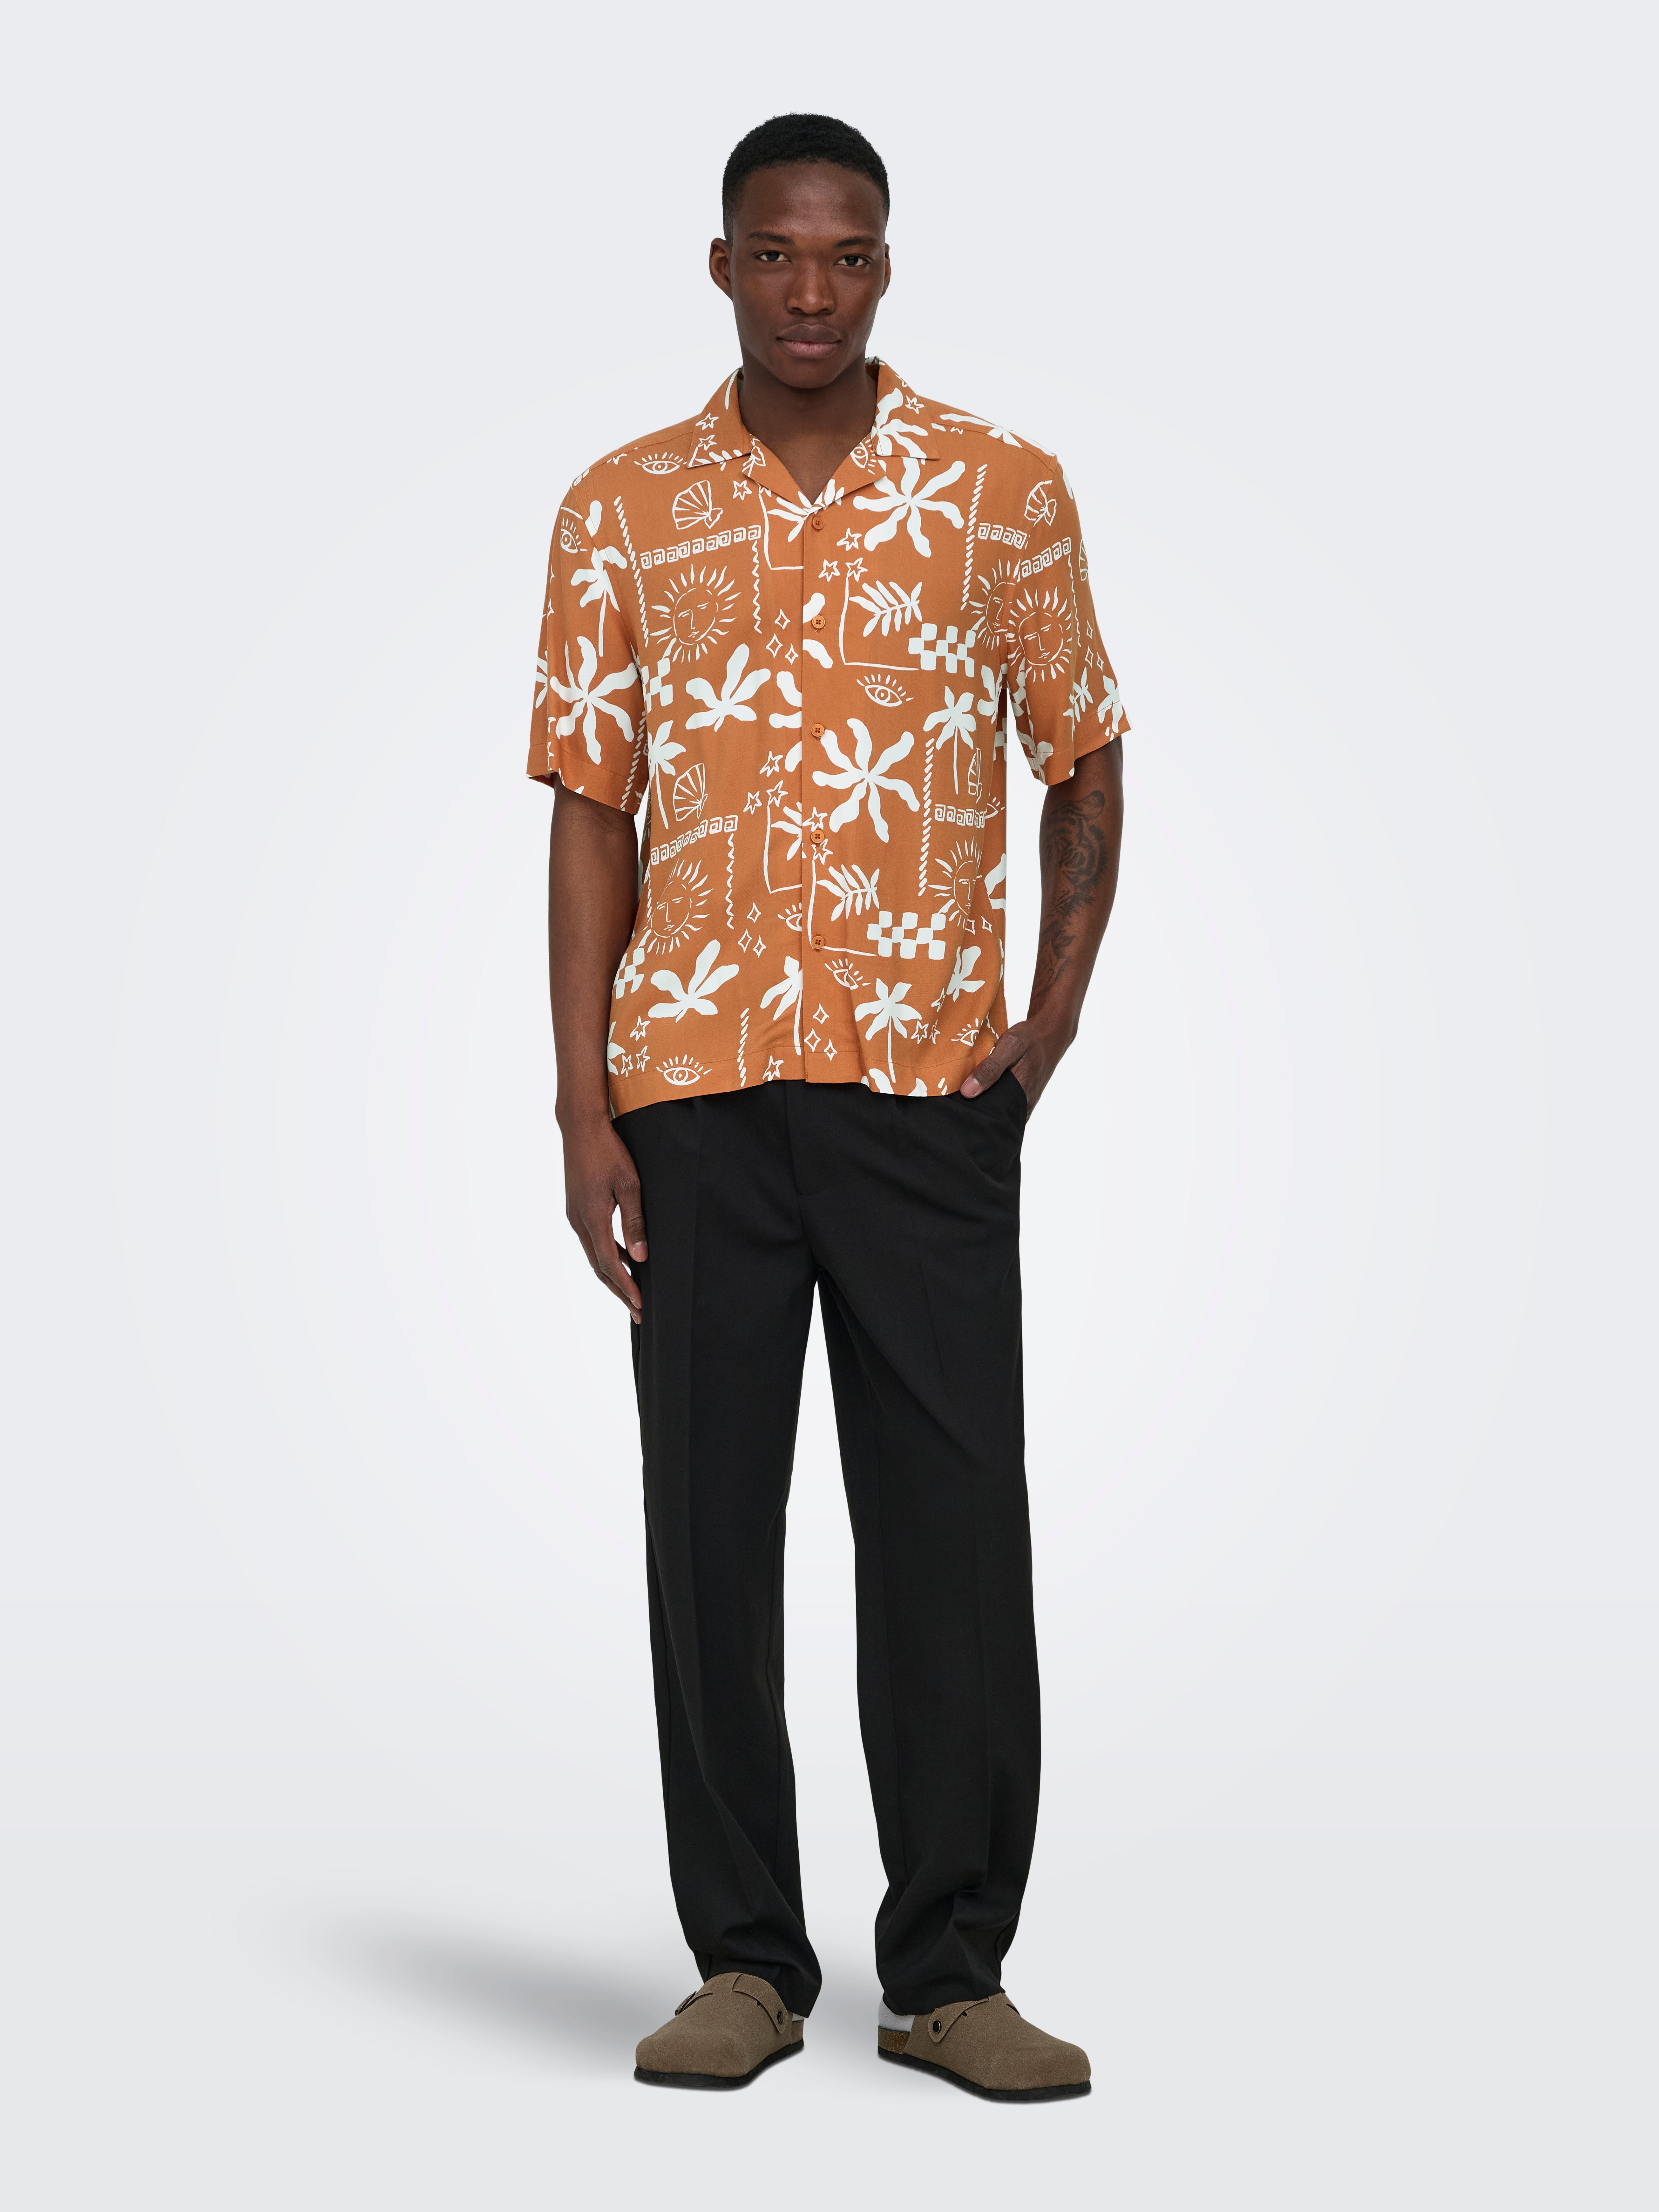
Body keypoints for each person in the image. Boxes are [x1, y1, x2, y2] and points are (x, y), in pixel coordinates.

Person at [530, 112, 1126, 2102]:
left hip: (921, 1091)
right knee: (707, 1532)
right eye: (775, 254)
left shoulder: (998, 489)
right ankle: (743, 1962)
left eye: (846, 255)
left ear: (886, 266)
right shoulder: (622, 506)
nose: (810, 291)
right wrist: (582, 1108)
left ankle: (949, 1970)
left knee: (950, 1526)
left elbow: (1082, 753)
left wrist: (1043, 1028)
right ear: (721, 265)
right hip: (691, 1094)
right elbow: (591, 809)